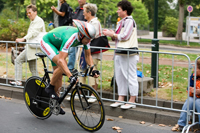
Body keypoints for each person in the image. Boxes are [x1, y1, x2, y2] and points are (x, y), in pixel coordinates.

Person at [40, 19, 100, 115]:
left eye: (90, 39)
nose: (89, 41)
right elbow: (61, 60)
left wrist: (93, 68)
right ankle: (50, 87)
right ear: (81, 35)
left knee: (59, 75)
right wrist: (70, 76)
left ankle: (55, 103)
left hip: (57, 44)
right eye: (88, 39)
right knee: (62, 65)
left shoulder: (85, 39)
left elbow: (88, 56)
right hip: (47, 42)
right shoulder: (71, 38)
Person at [103, 1, 139, 109]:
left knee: (130, 75)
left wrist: (112, 34)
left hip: (128, 53)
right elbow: (119, 37)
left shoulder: (129, 21)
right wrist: (113, 35)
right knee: (119, 76)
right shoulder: (121, 22)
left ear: (125, 11)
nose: (117, 11)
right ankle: (121, 98)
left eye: (119, 9)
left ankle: (132, 100)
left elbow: (125, 36)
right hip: (120, 52)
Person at [10, 4, 46, 86]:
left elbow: (34, 33)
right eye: (27, 13)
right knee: (33, 68)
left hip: (33, 48)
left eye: (30, 13)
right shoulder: (34, 21)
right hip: (31, 48)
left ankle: (18, 81)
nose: (28, 15)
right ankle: (39, 85)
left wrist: (23, 39)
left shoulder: (38, 21)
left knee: (18, 60)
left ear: (35, 12)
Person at [78, 3, 102, 103]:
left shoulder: (95, 22)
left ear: (89, 12)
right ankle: (79, 92)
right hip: (84, 50)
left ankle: (94, 94)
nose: (83, 14)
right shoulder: (87, 22)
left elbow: (90, 35)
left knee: (93, 71)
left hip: (92, 51)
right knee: (81, 70)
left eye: (84, 12)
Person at [172, 60, 200, 132]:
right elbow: (188, 88)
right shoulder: (193, 76)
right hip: (194, 96)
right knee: (189, 101)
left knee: (198, 103)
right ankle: (181, 124)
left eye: (195, 68)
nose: (193, 70)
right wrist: (190, 90)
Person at [67, 0, 87, 73]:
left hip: (84, 35)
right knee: (72, 50)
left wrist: (79, 24)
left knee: (84, 52)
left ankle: (83, 68)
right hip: (75, 34)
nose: (79, 0)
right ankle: (70, 68)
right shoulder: (77, 9)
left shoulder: (87, 8)